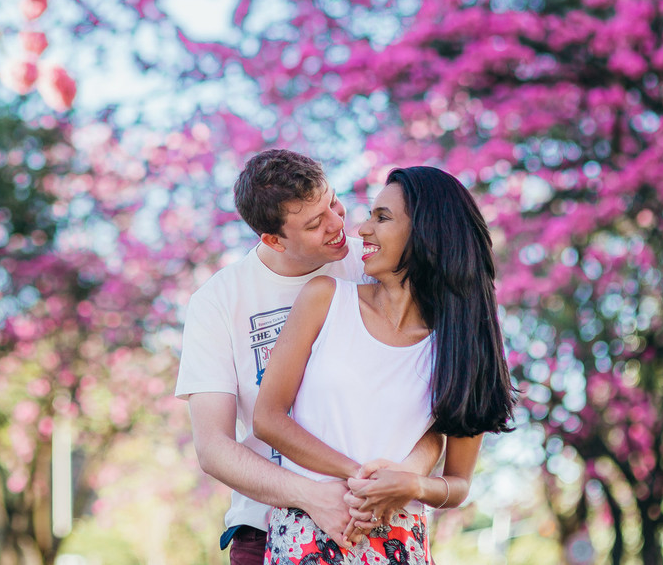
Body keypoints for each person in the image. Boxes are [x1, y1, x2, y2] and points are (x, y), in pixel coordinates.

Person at [176, 150, 437, 565]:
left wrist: (401, 478)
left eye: (333, 202)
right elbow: (213, 447)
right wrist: (312, 495)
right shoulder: (219, 302)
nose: (338, 225)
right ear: (273, 240)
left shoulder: (374, 263)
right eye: (315, 224)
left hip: (378, 525)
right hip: (265, 529)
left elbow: (434, 405)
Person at [253, 166, 516, 564]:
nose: (361, 229)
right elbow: (268, 418)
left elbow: (459, 483)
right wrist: (362, 480)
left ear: (427, 232)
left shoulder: (459, 346)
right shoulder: (325, 299)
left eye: (382, 217)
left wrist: (410, 485)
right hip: (309, 531)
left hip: (399, 544)